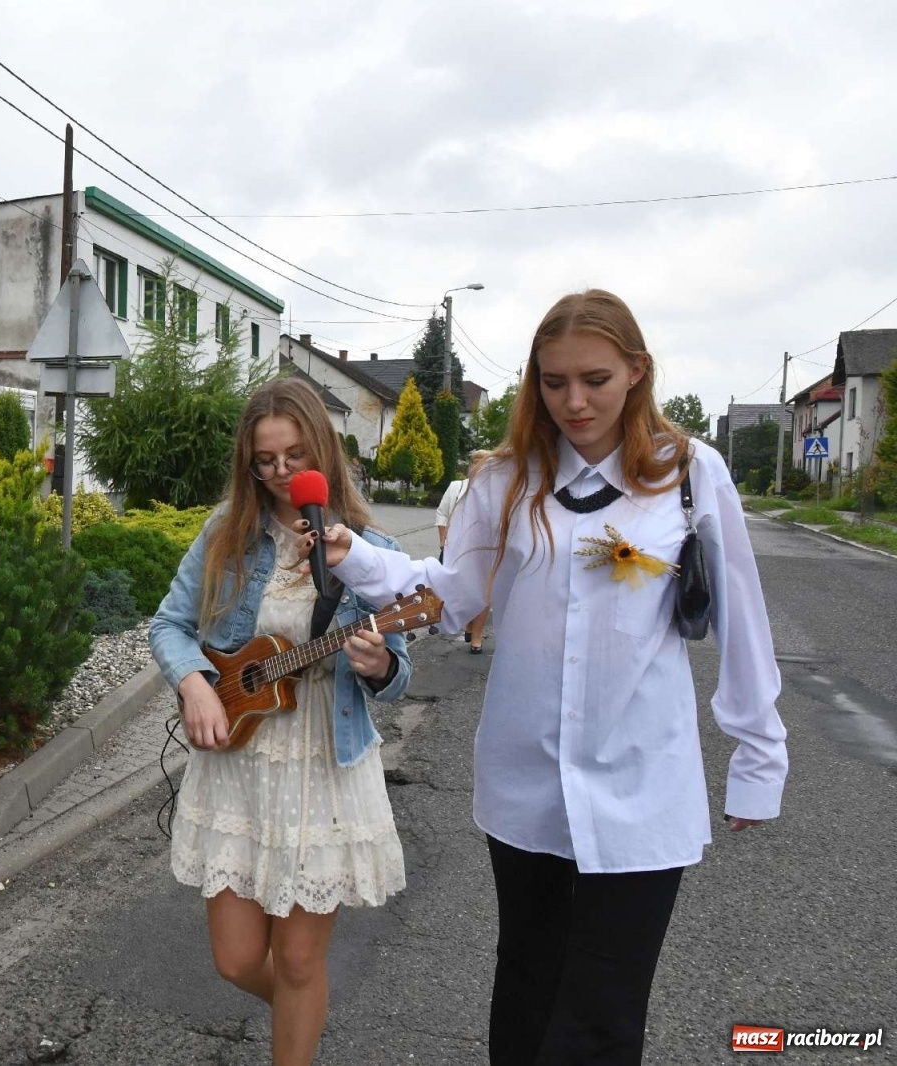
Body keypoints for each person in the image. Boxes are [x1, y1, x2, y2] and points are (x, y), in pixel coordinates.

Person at [305, 290, 788, 1065]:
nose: (574, 402)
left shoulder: (691, 474)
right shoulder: (505, 479)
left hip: (641, 783)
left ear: (637, 371)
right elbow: (454, 596)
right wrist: (355, 557)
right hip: (526, 781)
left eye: (596, 380)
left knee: (603, 1013)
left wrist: (759, 757)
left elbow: (741, 617)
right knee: (527, 988)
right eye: (554, 381)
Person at [151, 378, 413, 1066]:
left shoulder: (370, 546)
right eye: (264, 460)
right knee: (237, 960)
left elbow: (399, 675)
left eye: (294, 456)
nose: (280, 472)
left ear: (322, 450)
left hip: (323, 760)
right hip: (239, 759)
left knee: (298, 961)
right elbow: (170, 623)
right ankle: (305, 1013)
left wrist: (378, 664)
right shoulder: (227, 533)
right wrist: (195, 685)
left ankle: (298, 1026)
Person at [434, 451, 493, 652]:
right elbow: (442, 513)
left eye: (484, 464)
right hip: (458, 550)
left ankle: (477, 636)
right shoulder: (456, 487)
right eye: (475, 463)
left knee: (485, 594)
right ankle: (468, 623)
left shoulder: (497, 491)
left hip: (486, 551)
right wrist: (443, 539)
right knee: (464, 590)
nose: (478, 468)